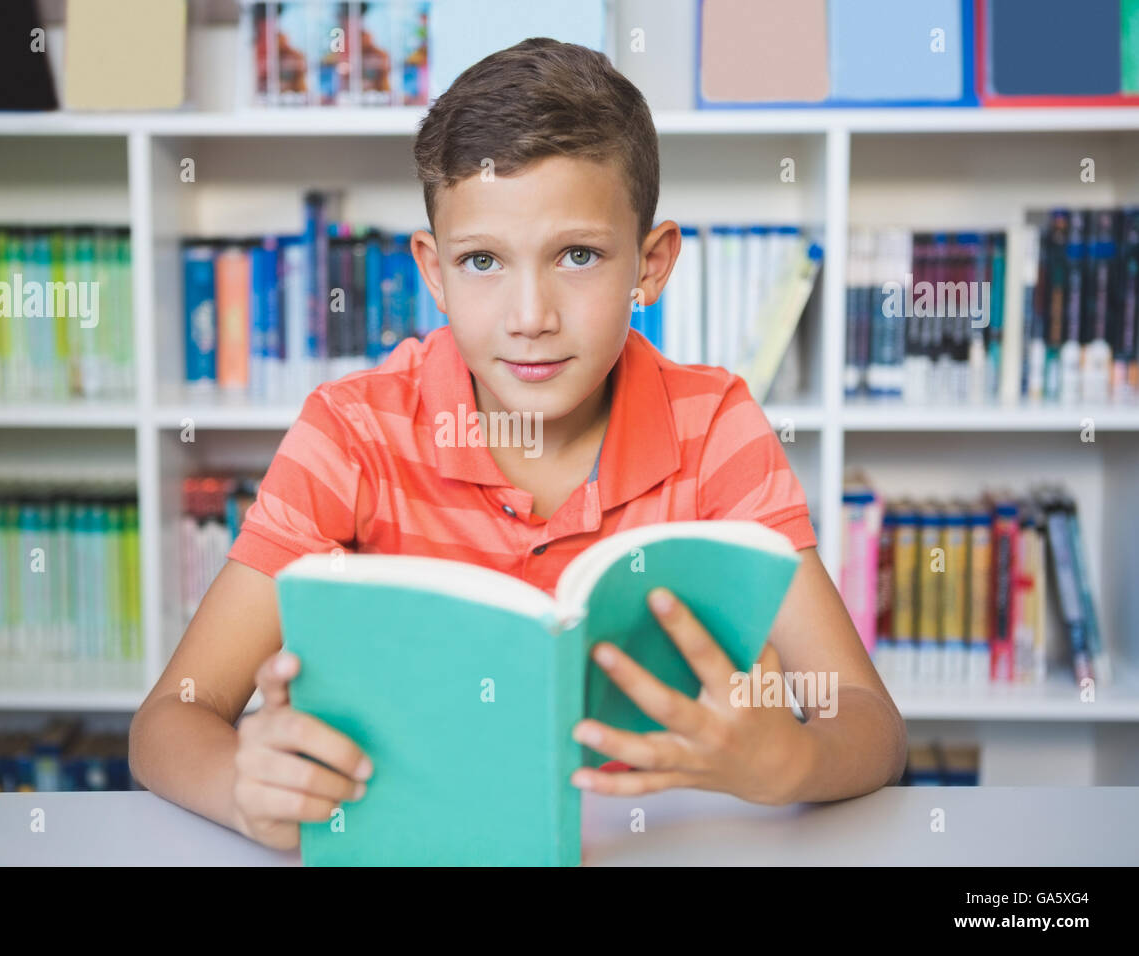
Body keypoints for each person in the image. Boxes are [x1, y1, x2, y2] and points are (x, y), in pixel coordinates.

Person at [129, 37, 906, 853]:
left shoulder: (714, 427)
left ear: (651, 264)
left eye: (577, 256)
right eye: (482, 261)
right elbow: (168, 721)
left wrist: (789, 763)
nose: (529, 315)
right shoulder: (351, 434)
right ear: (433, 270)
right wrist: (241, 783)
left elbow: (870, 724)